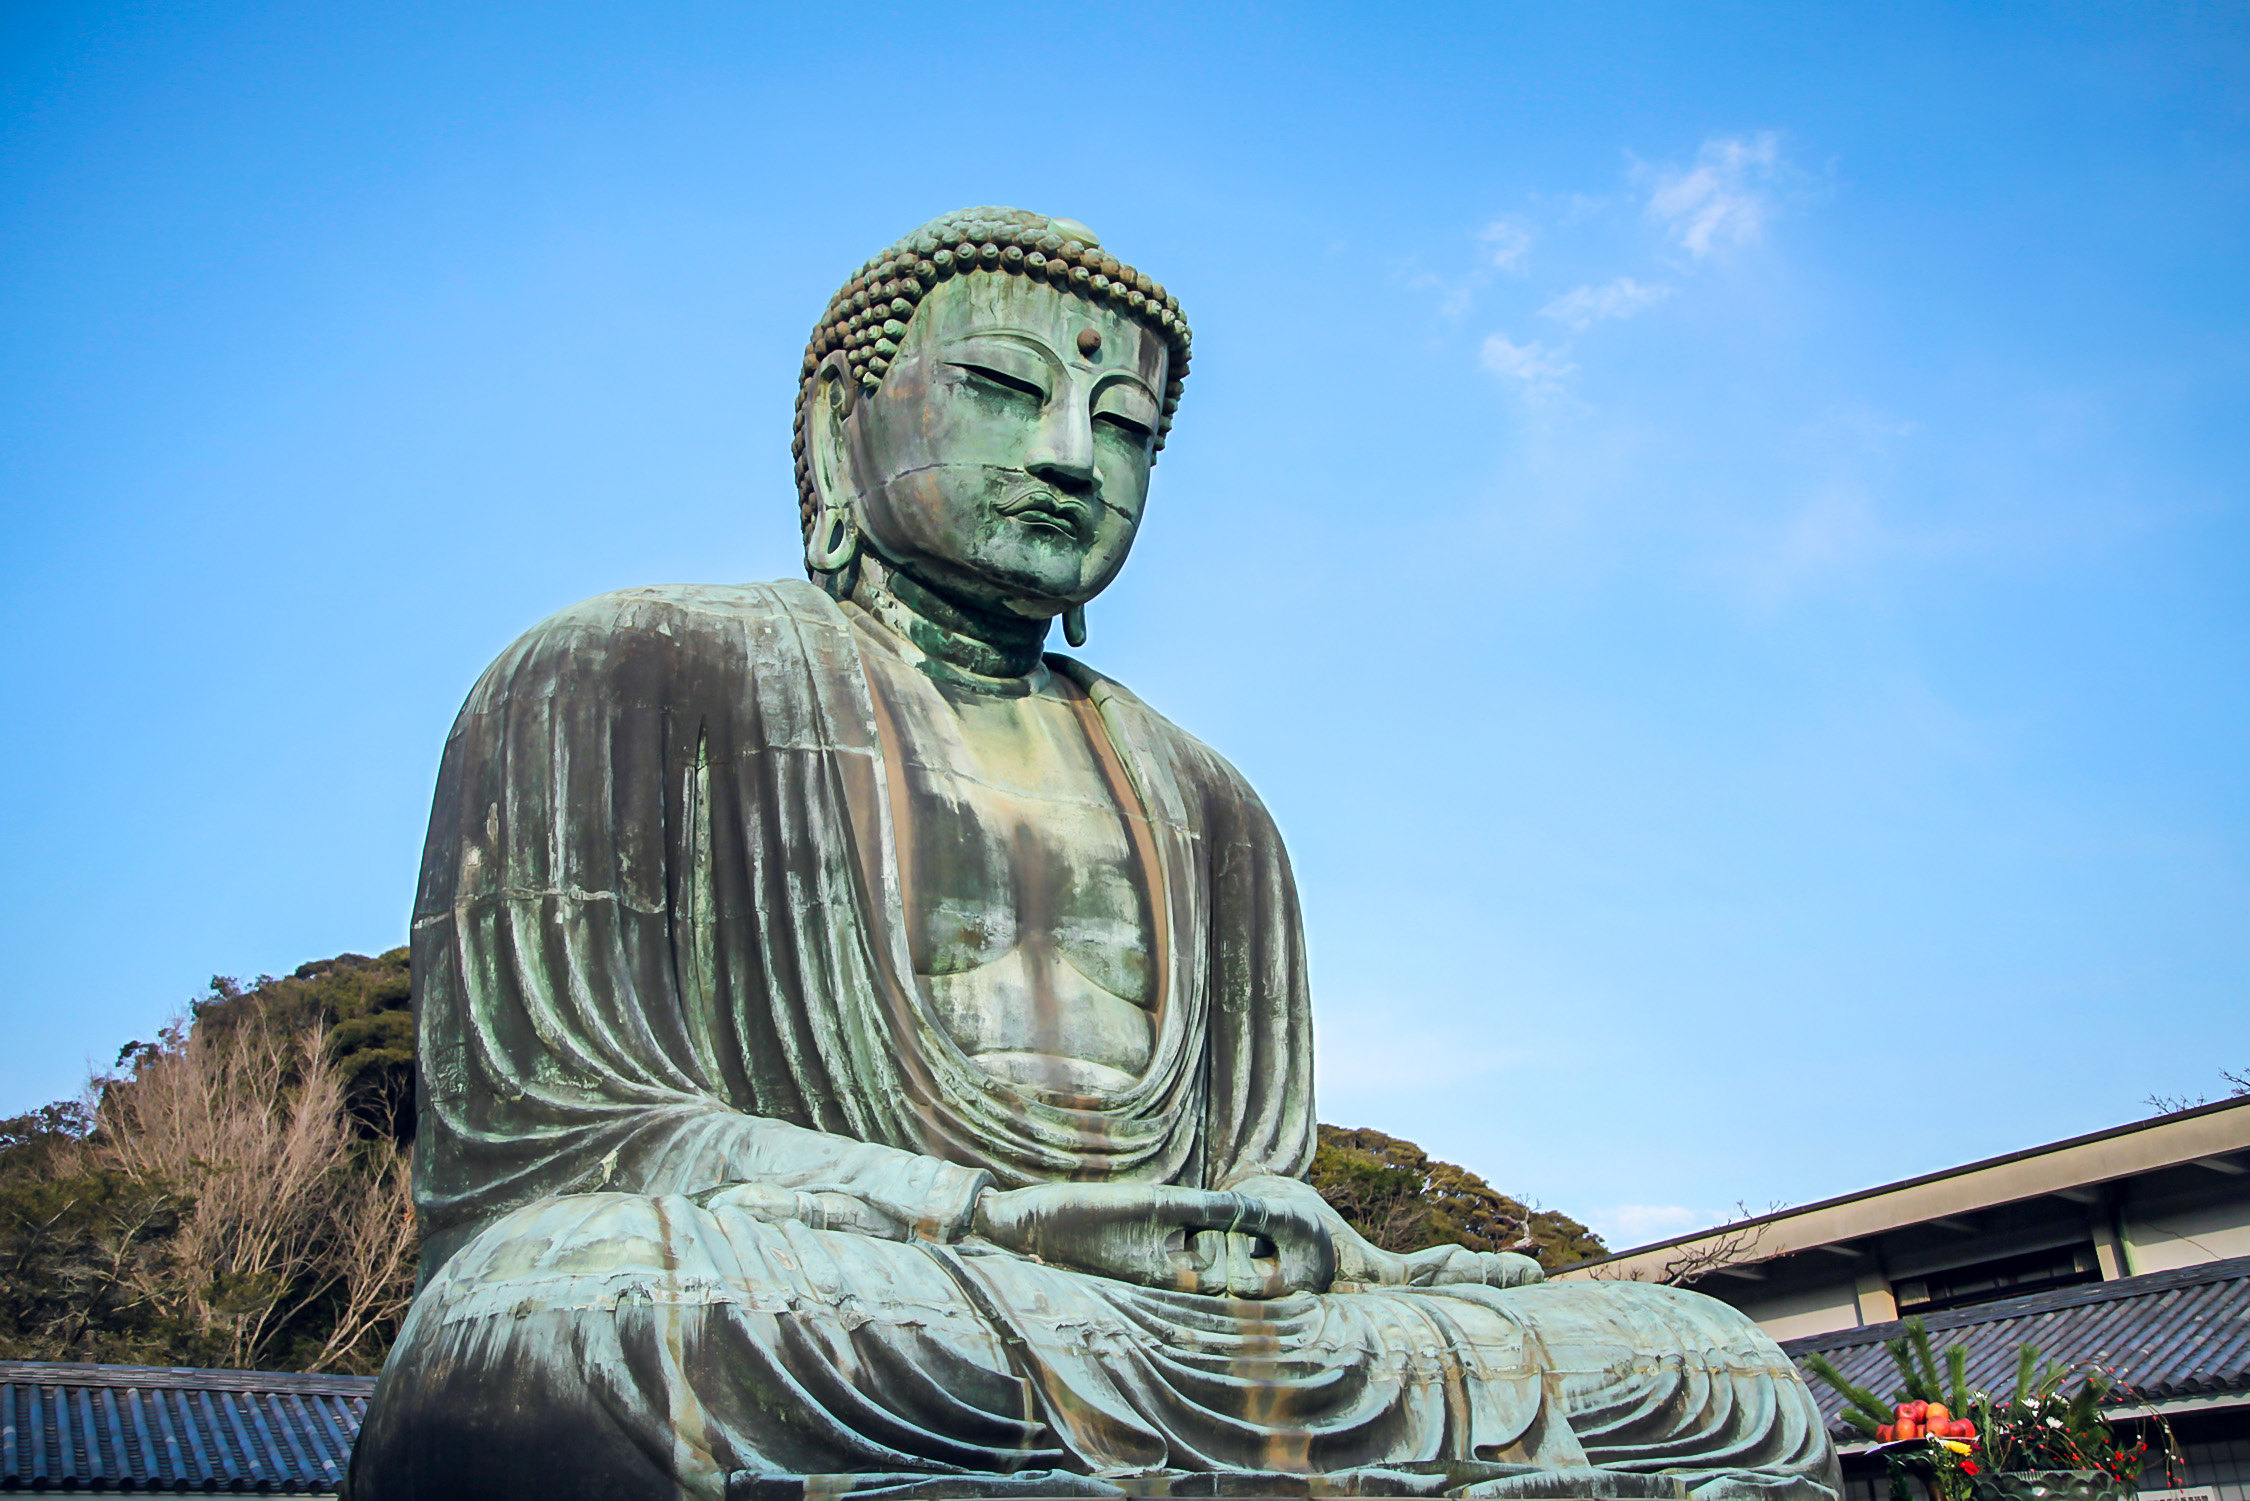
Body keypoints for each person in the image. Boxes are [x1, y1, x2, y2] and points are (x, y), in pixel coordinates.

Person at [347, 208, 1840, 1501]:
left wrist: (1322, 1254)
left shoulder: (1209, 798)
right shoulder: (620, 671)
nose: (1071, 457)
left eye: (1125, 426)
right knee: (570, 1323)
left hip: (1164, 1339)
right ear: (830, 424)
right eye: (1003, 389)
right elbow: (552, 1150)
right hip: (859, 1295)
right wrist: (981, 1213)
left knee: (1712, 1367)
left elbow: (1248, 1186)